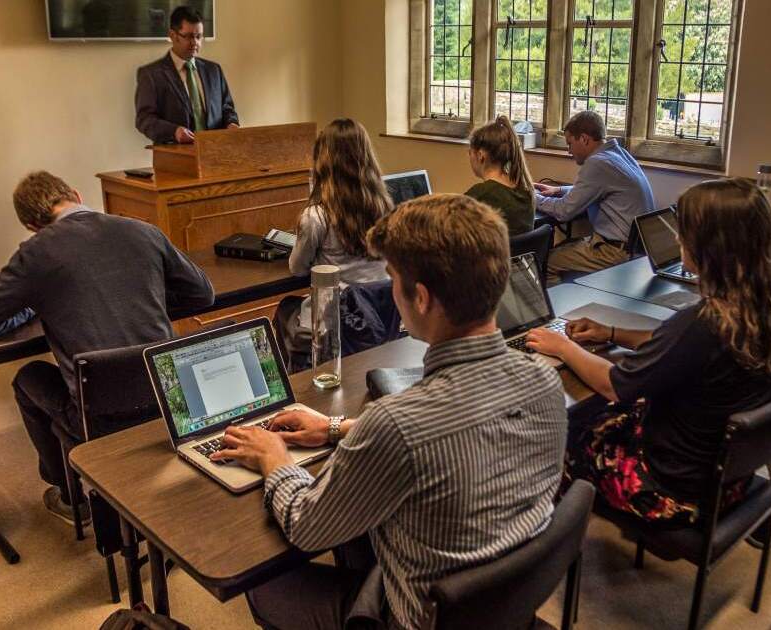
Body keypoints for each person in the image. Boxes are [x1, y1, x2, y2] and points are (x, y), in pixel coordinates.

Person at [211, 194, 568, 629]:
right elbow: (448, 430)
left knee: (264, 580)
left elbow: (306, 527)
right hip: (503, 605)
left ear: (420, 298)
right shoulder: (545, 381)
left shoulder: (397, 425)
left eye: (392, 278)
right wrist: (335, 427)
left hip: (415, 617)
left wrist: (274, 458)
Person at [527, 178, 771, 525]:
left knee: (564, 430)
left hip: (669, 487)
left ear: (710, 246)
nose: (677, 238)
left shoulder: (701, 324)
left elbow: (615, 384)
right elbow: (679, 348)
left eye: (684, 231)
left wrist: (563, 347)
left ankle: (551, 537)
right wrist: (611, 332)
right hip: (724, 475)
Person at [0, 171, 214, 524]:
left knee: (28, 377)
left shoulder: (36, 252)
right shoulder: (140, 230)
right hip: (170, 398)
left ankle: (70, 499)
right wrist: (145, 292)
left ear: (33, 225)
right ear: (76, 195)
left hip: (100, 417)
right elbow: (203, 294)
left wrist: (34, 301)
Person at [280, 119, 393, 366]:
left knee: (285, 310)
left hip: (336, 322)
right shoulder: (385, 207)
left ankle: (297, 383)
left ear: (322, 163)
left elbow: (297, 269)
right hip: (378, 319)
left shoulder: (316, 216)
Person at [534, 110, 655, 284]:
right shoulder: (618, 154)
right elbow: (599, 188)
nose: (569, 151)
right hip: (635, 248)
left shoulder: (597, 163)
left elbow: (563, 211)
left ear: (584, 139)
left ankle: (557, 309)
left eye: (570, 144)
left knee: (545, 262)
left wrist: (533, 198)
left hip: (615, 252)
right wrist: (559, 190)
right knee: (562, 248)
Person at [135, 6, 240, 144]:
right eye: (189, 36)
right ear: (172, 35)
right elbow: (144, 119)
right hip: (176, 157)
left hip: (215, 154)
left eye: (199, 36)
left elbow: (227, 108)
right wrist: (174, 131)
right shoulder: (152, 75)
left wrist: (232, 124)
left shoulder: (214, 70)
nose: (195, 42)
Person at [464, 115, 536, 236]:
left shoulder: (479, 195)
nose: (469, 158)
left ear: (480, 155)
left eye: (470, 153)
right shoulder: (525, 190)